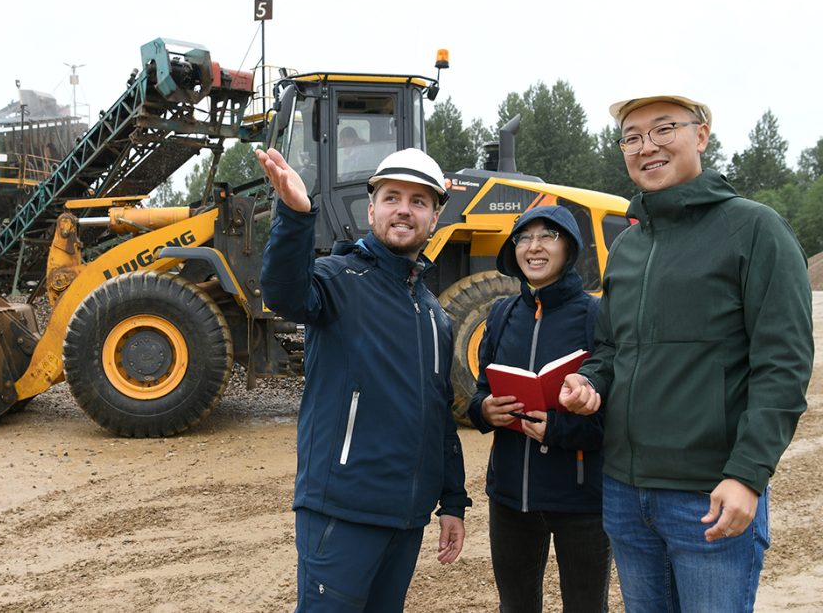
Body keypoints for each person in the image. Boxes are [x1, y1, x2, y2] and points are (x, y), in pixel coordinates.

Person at [559, 94, 814, 612]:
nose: (646, 146)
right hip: (626, 494)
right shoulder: (628, 247)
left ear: (700, 135)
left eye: (663, 129)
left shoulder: (754, 229)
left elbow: (783, 364)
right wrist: (590, 382)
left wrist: (747, 475)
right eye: (632, 137)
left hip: (709, 494)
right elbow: (610, 348)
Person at [257, 145, 472, 611]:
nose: (404, 210)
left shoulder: (434, 315)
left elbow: (438, 415)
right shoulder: (337, 280)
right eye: (392, 198)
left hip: (406, 520)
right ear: (372, 210)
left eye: (418, 201)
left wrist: (452, 502)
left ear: (435, 218)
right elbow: (283, 292)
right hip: (341, 513)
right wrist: (295, 216)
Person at [468, 205, 611, 613]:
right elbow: (479, 394)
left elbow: (614, 417)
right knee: (515, 607)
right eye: (524, 238)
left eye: (548, 235)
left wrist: (557, 429)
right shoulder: (501, 314)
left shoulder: (596, 316)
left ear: (569, 248)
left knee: (586, 607)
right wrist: (485, 411)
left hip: (580, 499)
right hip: (511, 497)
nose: (534, 247)